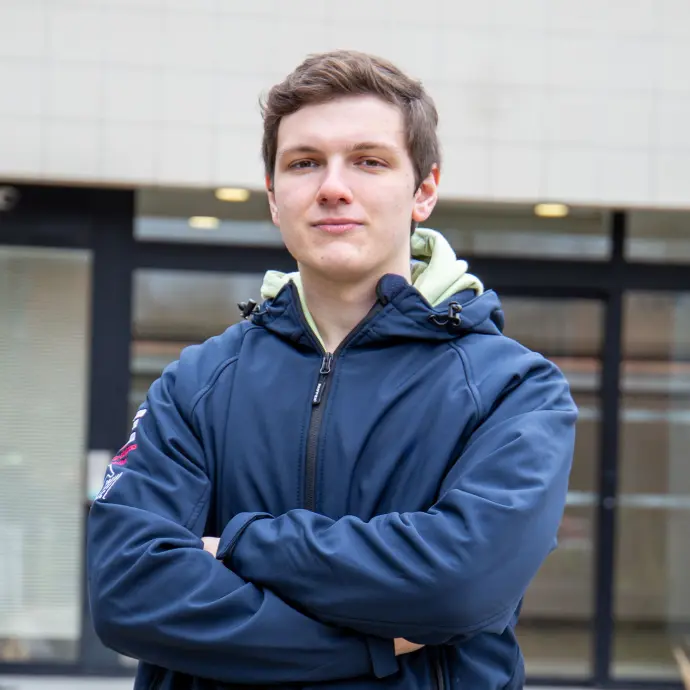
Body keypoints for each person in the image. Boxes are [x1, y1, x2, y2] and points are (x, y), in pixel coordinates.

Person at [86, 50, 577, 690]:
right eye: (304, 162)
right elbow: (128, 591)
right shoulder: (196, 384)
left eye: (369, 161)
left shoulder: (514, 390)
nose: (332, 187)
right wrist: (368, 649)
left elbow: (458, 585)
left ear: (424, 190)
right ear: (273, 196)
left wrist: (237, 545)